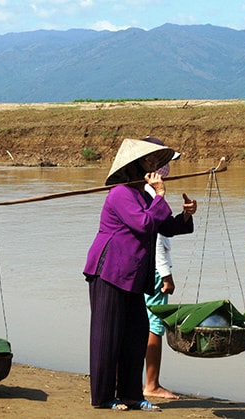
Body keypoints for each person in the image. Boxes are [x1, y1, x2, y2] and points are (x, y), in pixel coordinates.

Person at [83, 138, 197, 411]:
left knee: (135, 334)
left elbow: (165, 226)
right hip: (109, 270)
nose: (155, 166)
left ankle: (131, 394)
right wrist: (159, 195)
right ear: (135, 165)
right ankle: (102, 397)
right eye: (149, 161)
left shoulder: (141, 194)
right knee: (107, 335)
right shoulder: (120, 193)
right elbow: (144, 223)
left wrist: (185, 215)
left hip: (132, 275)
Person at [142, 137, 181, 400]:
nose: (168, 168)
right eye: (164, 163)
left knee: (143, 323)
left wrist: (186, 216)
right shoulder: (151, 193)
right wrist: (166, 274)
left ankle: (143, 381)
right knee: (154, 325)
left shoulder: (147, 191)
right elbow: (154, 238)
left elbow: (166, 229)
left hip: (148, 267)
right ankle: (151, 384)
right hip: (154, 269)